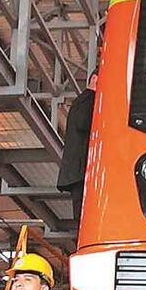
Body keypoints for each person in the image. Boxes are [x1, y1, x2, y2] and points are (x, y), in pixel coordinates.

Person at [57, 73, 97, 223]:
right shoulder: (88, 99)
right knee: (83, 217)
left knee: (82, 217)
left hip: (78, 171)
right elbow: (83, 122)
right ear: (94, 79)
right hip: (81, 170)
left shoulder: (82, 101)